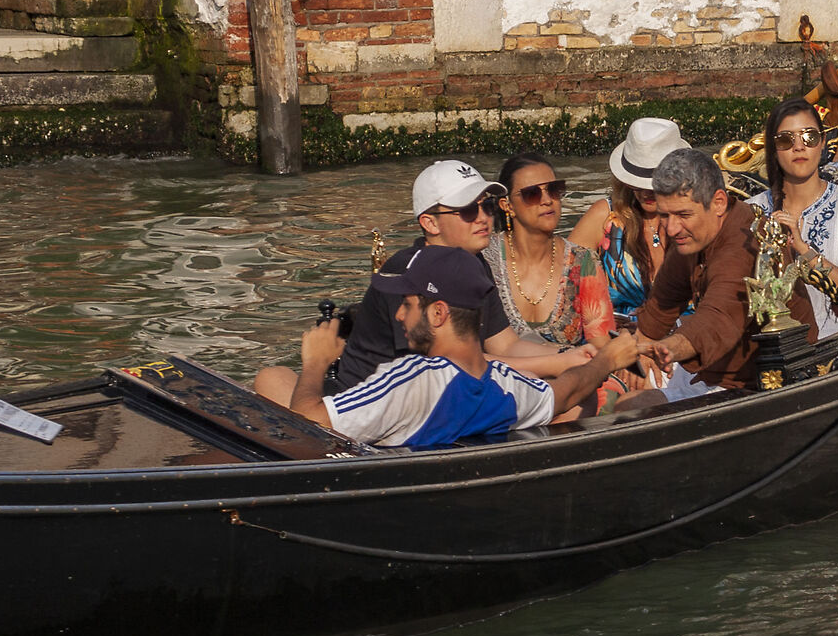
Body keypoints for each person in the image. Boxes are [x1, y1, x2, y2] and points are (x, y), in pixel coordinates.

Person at [249, 159, 584, 411]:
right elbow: (450, 366)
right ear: (430, 223)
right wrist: (556, 365)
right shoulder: (407, 272)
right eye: (468, 210)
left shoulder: (474, 264)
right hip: (370, 401)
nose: (484, 217)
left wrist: (573, 355)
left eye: (486, 206)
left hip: (437, 396)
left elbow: (507, 345)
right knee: (270, 378)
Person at [287, 247, 643, 449]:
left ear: (438, 313)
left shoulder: (412, 379)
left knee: (273, 380)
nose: (398, 315)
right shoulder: (505, 384)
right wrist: (606, 360)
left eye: (408, 304)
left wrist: (316, 361)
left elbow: (307, 425)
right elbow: (565, 392)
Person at [636, 147, 764, 394]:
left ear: (718, 203)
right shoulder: (693, 237)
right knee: (624, 390)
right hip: (710, 369)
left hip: (755, 383)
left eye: (683, 214)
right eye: (664, 215)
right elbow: (661, 305)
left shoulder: (744, 244)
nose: (671, 229)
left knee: (635, 406)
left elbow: (716, 319)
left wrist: (668, 349)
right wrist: (639, 346)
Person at [749, 97, 838, 340]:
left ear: (823, 142)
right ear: (773, 149)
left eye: (809, 137)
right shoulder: (752, 211)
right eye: (786, 140)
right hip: (767, 340)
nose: (799, 147)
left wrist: (803, 250)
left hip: (834, 340)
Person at [567, 117, 691, 322]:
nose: (646, 192)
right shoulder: (604, 215)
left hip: (689, 331)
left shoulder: (699, 218)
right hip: (618, 333)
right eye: (637, 183)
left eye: (655, 184)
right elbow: (564, 282)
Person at [486, 152, 615, 348]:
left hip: (573, 367)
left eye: (553, 190)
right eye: (532, 193)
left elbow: (602, 345)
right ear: (507, 206)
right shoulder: (485, 260)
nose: (547, 200)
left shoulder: (583, 262)